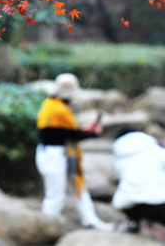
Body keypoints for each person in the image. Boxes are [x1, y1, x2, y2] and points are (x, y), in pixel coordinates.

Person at [35, 73, 112, 231]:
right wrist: (92, 133)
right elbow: (69, 134)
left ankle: (91, 221)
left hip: (61, 153)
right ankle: (44, 228)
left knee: (79, 189)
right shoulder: (57, 109)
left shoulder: (52, 105)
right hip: (53, 156)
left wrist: (84, 131)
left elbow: (63, 132)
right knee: (56, 195)